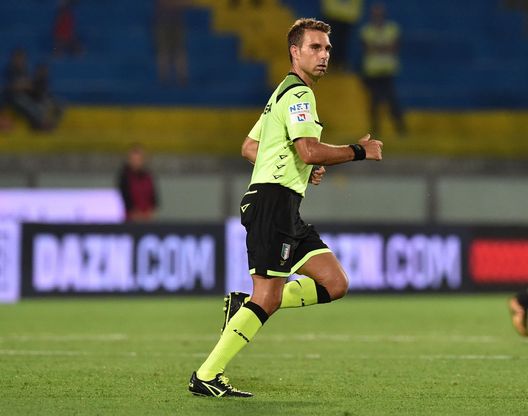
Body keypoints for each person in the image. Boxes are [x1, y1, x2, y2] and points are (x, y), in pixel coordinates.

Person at [188, 17, 383, 398]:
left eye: (327, 48)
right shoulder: (299, 96)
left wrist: (300, 165)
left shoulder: (282, 92)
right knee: (270, 296)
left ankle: (245, 307)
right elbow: (308, 149)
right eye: (315, 47)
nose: (324, 55)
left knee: (335, 283)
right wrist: (358, 151)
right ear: (295, 52)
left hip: (284, 206)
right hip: (272, 204)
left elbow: (250, 147)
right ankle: (207, 375)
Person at [359, 2, 406, 136]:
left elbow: (394, 47)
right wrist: (384, 47)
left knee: (392, 102)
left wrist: (376, 47)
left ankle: (401, 129)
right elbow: (368, 49)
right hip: (372, 72)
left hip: (387, 71)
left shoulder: (392, 28)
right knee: (374, 103)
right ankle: (375, 130)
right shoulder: (367, 30)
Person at [3, 49, 59, 130]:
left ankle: (46, 124)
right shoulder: (9, 71)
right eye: (19, 59)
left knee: (52, 104)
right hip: (13, 97)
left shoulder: (25, 70)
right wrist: (23, 85)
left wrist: (26, 85)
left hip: (26, 95)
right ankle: (41, 125)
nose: (21, 61)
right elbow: (11, 86)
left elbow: (29, 85)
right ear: (13, 59)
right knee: (29, 104)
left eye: (22, 59)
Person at [117, 144, 159, 222]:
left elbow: (153, 197)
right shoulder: (125, 177)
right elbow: (125, 197)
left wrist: (149, 212)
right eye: (134, 159)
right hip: (130, 219)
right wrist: (135, 213)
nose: (136, 162)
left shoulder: (148, 176)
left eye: (138, 159)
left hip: (147, 218)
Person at [154, 0, 190, 85]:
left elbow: (188, 4)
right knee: (163, 52)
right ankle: (164, 78)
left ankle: (182, 78)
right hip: (162, 24)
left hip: (175, 24)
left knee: (179, 52)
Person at [321, 0, 363, 71]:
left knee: (342, 42)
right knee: (334, 41)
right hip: (334, 14)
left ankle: (338, 64)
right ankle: (334, 63)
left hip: (346, 16)